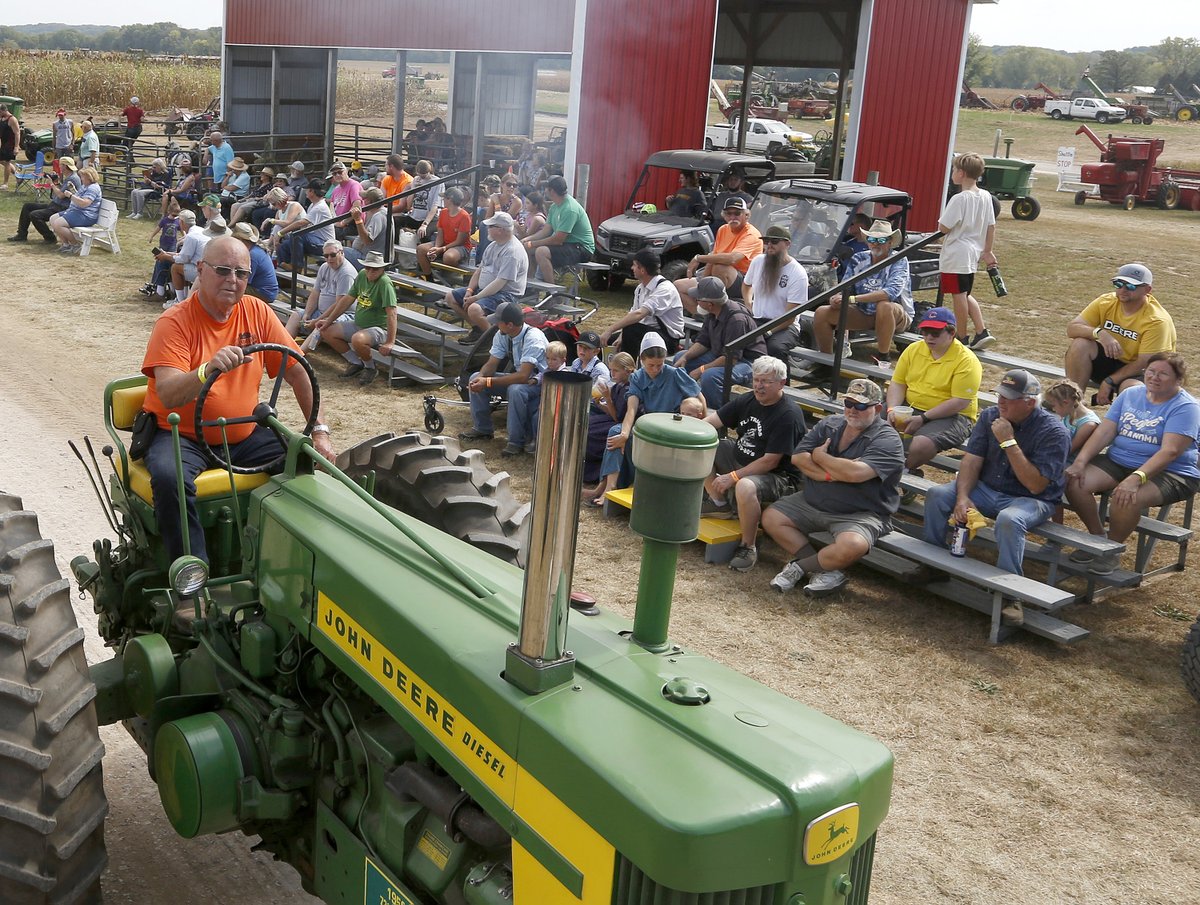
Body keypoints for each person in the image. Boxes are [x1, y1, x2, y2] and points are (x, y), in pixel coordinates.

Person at [141, 235, 334, 568]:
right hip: (183, 436)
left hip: (243, 434)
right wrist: (206, 370)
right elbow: (169, 394)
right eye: (223, 270)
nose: (232, 280)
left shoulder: (257, 312)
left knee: (304, 462)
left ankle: (281, 563)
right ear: (200, 270)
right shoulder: (174, 322)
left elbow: (299, 371)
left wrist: (318, 430)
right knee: (170, 478)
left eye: (241, 273)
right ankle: (190, 576)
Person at [924, 370, 1070, 622]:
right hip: (987, 488)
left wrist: (1009, 442)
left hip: (1030, 499)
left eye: (1009, 398)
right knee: (938, 495)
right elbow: (971, 460)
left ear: (1030, 402)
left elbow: (1035, 485)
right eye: (1000, 395)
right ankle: (931, 566)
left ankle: (1010, 595)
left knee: (1010, 520)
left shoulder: (1054, 432)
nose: (1000, 401)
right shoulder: (990, 415)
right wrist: (962, 497)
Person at [763, 378, 905, 597]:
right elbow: (799, 458)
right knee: (772, 518)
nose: (852, 410)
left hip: (860, 512)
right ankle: (826, 570)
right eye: (848, 403)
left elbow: (856, 473)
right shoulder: (830, 424)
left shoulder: (888, 439)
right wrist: (830, 475)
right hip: (813, 501)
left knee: (853, 545)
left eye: (860, 406)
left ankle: (800, 567)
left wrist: (820, 456)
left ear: (877, 409)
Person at [1065, 352, 1200, 574]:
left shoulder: (1186, 407)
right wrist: (1080, 461)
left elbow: (1170, 451)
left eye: (1163, 374)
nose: (1155, 377)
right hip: (1120, 460)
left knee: (1127, 495)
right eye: (1151, 371)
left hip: (1171, 472)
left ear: (1178, 380)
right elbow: (1105, 431)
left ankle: (1113, 549)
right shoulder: (1130, 394)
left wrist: (1136, 478)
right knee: (1074, 480)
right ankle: (1099, 539)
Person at [702, 356, 807, 572]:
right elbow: (713, 422)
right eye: (756, 380)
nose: (759, 386)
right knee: (702, 445)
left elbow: (770, 462)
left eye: (766, 381)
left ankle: (748, 546)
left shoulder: (788, 414)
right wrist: (687, 431)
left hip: (780, 477)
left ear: (782, 383)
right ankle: (718, 503)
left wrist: (733, 476)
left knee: (745, 485)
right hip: (743, 457)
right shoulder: (748, 399)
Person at [601, 332, 704, 491]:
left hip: (673, 428)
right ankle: (609, 486)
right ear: (642, 360)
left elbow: (700, 398)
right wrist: (624, 434)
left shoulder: (674, 373)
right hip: (650, 427)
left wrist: (704, 423)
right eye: (651, 365)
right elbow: (631, 409)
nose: (656, 369)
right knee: (616, 431)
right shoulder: (637, 377)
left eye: (660, 364)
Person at [884, 306, 982, 474]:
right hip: (912, 405)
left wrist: (923, 418)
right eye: (925, 332)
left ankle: (904, 473)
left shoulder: (967, 361)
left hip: (954, 415)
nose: (928, 337)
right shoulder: (913, 349)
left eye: (935, 333)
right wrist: (892, 409)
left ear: (952, 333)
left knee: (922, 445)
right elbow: (898, 383)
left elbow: (959, 402)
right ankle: (879, 467)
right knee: (868, 421)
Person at [1063, 263, 1175, 406]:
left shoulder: (1157, 320)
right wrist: (1099, 333)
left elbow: (1146, 362)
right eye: (1118, 284)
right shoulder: (1106, 301)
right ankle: (1072, 405)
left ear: (1148, 290)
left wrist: (1110, 381)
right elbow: (1072, 328)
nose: (1123, 290)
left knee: (1133, 390)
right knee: (1080, 344)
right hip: (1112, 361)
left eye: (1131, 286)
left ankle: (1123, 426)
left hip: (1142, 371)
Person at [812, 219, 913, 368]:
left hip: (897, 314)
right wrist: (837, 297)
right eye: (872, 239)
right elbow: (846, 285)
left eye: (881, 239)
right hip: (864, 312)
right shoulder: (859, 258)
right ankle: (825, 365)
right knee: (821, 312)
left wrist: (852, 299)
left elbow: (890, 293)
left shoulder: (899, 259)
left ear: (890, 242)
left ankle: (883, 358)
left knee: (884, 306)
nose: (875, 243)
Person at [459, 301, 549, 447]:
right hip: (523, 380)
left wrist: (487, 382)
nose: (495, 325)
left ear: (510, 325)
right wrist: (481, 377)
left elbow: (523, 376)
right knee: (474, 377)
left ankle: (516, 442)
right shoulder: (502, 334)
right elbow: (491, 363)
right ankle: (483, 430)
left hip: (540, 384)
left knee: (515, 390)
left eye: (498, 321)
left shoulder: (533, 338)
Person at [674, 276, 766, 408]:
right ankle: (685, 405)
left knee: (709, 376)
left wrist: (700, 370)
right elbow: (703, 342)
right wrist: (685, 356)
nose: (696, 301)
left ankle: (717, 415)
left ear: (710, 304)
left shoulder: (737, 320)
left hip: (747, 362)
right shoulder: (712, 312)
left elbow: (731, 358)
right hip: (721, 354)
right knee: (680, 358)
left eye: (698, 299)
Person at [311, 250, 398, 386]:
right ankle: (356, 363)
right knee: (326, 330)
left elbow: (392, 313)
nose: (370, 272)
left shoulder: (385, 283)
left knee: (357, 339)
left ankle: (370, 368)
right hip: (359, 324)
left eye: (374, 269)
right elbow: (346, 300)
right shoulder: (362, 275)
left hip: (378, 328)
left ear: (382, 269)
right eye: (368, 267)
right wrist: (328, 321)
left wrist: (390, 342)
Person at [939, 152, 997, 349]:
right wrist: (988, 250)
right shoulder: (986, 196)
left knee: (958, 295)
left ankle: (961, 337)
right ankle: (981, 331)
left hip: (956, 254)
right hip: (973, 252)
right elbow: (991, 226)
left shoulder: (959, 198)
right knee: (964, 293)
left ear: (961, 173)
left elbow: (944, 227)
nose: (953, 173)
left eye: (954, 170)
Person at [445, 211, 528, 339]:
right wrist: (470, 290)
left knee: (474, 309)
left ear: (501, 230)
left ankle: (495, 341)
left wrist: (476, 297)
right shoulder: (493, 246)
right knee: (451, 297)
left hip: (507, 294)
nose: (487, 229)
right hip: (486, 291)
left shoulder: (512, 251)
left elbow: (500, 282)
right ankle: (479, 330)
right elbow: (479, 270)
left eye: (491, 226)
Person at [675, 197, 761, 310]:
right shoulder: (723, 229)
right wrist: (703, 285)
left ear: (746, 215)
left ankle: (715, 309)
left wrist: (698, 258)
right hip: (720, 277)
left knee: (720, 267)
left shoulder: (751, 234)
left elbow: (732, 259)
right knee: (678, 286)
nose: (733, 217)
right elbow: (713, 257)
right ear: (724, 216)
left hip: (746, 283)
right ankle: (702, 315)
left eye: (737, 213)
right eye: (729, 213)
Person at [599, 249, 687, 357]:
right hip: (646, 331)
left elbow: (639, 314)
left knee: (631, 331)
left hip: (668, 340)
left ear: (642, 270)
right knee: (606, 343)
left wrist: (610, 329)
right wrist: (621, 336)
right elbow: (632, 315)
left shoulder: (665, 289)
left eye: (634, 265)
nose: (632, 268)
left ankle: (628, 370)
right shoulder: (640, 288)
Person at [742, 225, 808, 361]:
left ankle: (783, 381)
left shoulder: (798, 273)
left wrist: (768, 332)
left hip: (785, 325)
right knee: (735, 338)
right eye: (767, 242)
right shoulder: (758, 261)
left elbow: (790, 317)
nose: (769, 245)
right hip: (758, 319)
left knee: (775, 348)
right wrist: (748, 305)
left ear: (787, 244)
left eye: (775, 242)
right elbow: (746, 285)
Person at [522, 175, 595, 284]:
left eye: (546, 188)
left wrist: (533, 243)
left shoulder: (569, 208)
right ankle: (531, 287)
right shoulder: (554, 206)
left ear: (551, 191)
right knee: (526, 248)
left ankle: (553, 293)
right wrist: (527, 240)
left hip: (582, 248)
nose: (545, 190)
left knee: (541, 252)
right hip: (568, 245)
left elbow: (558, 240)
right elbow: (546, 231)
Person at [288, 240, 358, 351]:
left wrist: (317, 320)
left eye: (333, 255)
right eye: (326, 255)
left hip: (343, 315)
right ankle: (282, 349)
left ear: (342, 253)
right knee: (296, 315)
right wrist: (307, 313)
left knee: (321, 325)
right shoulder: (324, 267)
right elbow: (315, 293)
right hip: (322, 313)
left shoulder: (346, 273)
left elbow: (339, 305)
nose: (329, 258)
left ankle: (299, 356)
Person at [582, 352, 635, 499]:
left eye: (616, 370)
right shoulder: (619, 385)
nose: (613, 373)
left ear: (628, 369)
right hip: (612, 419)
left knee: (591, 433)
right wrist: (600, 403)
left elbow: (617, 417)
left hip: (621, 424)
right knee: (586, 424)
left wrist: (607, 398)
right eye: (611, 370)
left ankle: (596, 477)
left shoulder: (629, 389)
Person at [8, 156, 81, 243]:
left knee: (35, 215)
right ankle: (21, 234)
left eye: (60, 165)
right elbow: (61, 191)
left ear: (65, 166)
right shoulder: (69, 176)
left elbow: (61, 195)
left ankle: (50, 238)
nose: (59, 167)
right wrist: (56, 182)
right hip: (55, 205)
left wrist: (52, 184)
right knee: (27, 206)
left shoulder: (72, 178)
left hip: (61, 208)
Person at [276, 180, 334, 267]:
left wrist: (281, 233)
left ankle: (297, 266)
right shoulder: (313, 205)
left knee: (297, 235)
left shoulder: (320, 207)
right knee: (284, 245)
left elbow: (301, 223)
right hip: (314, 240)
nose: (305, 192)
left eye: (307, 190)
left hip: (323, 243)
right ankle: (283, 267)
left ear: (312, 191)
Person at [417, 186, 472, 277]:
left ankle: (451, 277)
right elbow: (440, 234)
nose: (443, 200)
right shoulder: (443, 212)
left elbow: (460, 241)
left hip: (460, 246)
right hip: (444, 243)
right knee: (421, 249)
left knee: (448, 257)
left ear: (450, 199)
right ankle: (428, 277)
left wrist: (442, 249)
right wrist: (436, 247)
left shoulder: (464, 216)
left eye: (445, 198)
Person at [49, 166, 102, 255]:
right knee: (53, 219)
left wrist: (70, 195)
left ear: (89, 177)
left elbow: (85, 203)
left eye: (82, 177)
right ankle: (66, 244)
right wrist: (73, 191)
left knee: (58, 224)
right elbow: (79, 197)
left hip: (86, 215)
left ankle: (75, 245)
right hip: (77, 212)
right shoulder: (86, 186)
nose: (81, 179)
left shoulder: (93, 188)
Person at [1044, 379, 1101, 461]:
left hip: (1071, 459)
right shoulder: (1068, 412)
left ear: (1065, 403)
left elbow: (1069, 450)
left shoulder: (1088, 424)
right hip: (1058, 452)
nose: (1053, 409)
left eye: (1054, 406)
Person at [141, 197, 183, 298]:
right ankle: (158, 284)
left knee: (169, 261)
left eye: (176, 216)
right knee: (160, 259)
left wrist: (185, 237)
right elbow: (158, 228)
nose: (174, 217)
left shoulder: (178, 222)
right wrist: (151, 236)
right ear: (169, 212)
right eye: (173, 215)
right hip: (163, 244)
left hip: (173, 245)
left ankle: (165, 284)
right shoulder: (165, 220)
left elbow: (183, 231)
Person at [230, 222, 278, 303]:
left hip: (264, 293)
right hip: (264, 290)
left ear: (240, 240)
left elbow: (244, 280)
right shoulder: (255, 250)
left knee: (229, 288)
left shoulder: (252, 255)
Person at [344, 186, 389, 270]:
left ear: (369, 201)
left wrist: (358, 220)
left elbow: (367, 240)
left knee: (338, 252)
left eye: (365, 199)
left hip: (370, 259)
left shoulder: (379, 216)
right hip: (366, 255)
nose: (363, 201)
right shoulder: (376, 212)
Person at [399, 159, 443, 238]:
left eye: (424, 175)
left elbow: (435, 206)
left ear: (429, 171)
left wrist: (425, 224)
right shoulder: (416, 179)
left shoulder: (437, 183)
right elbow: (409, 206)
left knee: (423, 233)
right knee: (395, 221)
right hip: (414, 216)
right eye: (419, 175)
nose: (421, 177)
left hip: (429, 219)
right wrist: (414, 189)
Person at [261, 186, 306, 251]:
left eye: (273, 204)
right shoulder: (279, 211)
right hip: (285, 235)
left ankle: (271, 249)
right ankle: (270, 247)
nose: (273, 206)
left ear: (280, 201)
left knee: (278, 226)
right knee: (275, 228)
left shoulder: (294, 205)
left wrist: (269, 220)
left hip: (299, 235)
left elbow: (287, 223)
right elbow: (275, 230)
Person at [0, 104, 20, 189]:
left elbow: (17, 133)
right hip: (4, 144)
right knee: (2, 161)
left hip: (10, 144)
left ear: (3, 110)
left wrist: (16, 146)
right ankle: (18, 176)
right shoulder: (2, 119)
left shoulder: (12, 119)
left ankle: (5, 184)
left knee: (7, 162)